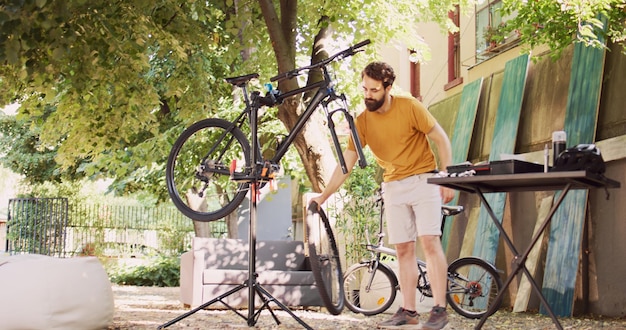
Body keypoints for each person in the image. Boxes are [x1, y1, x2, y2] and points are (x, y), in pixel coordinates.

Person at [310, 61, 454, 329]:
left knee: (430, 242)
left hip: (424, 180)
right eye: (365, 89)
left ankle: (439, 310)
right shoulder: (362, 122)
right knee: (403, 249)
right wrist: (324, 196)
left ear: (388, 87)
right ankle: (409, 312)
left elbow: (441, 139)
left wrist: (446, 177)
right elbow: (345, 165)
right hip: (393, 185)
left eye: (374, 90)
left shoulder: (409, 107)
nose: (368, 95)